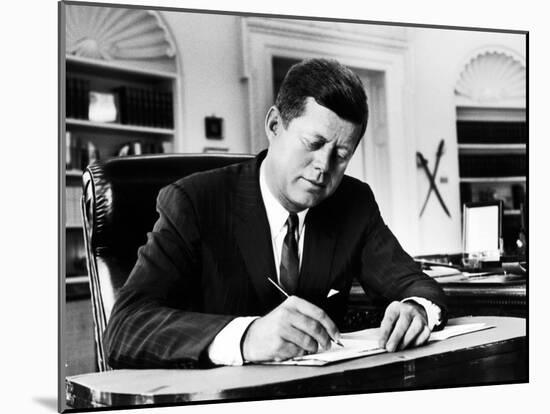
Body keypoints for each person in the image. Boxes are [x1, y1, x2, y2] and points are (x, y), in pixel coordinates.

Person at [104, 58, 447, 369]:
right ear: (274, 126)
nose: (323, 168)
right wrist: (247, 337)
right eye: (312, 144)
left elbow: (415, 284)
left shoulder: (353, 202)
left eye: (341, 155)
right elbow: (125, 327)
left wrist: (416, 309)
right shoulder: (194, 202)